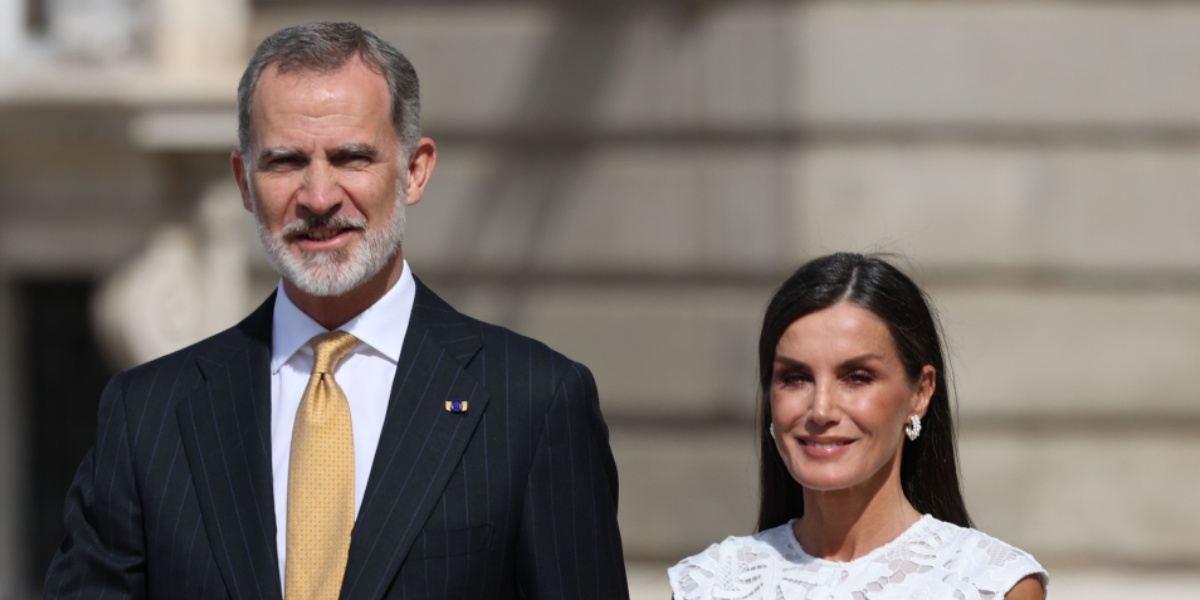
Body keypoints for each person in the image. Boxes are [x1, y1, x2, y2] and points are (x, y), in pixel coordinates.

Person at [45, 22, 628, 599]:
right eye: (285, 162)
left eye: (351, 158)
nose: (319, 197)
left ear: (414, 171)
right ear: (244, 183)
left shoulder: (532, 403)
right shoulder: (148, 416)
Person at [668, 253, 1047, 599]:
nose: (820, 409)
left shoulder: (990, 583)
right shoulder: (708, 583)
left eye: (857, 377)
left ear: (921, 392)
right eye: (795, 377)